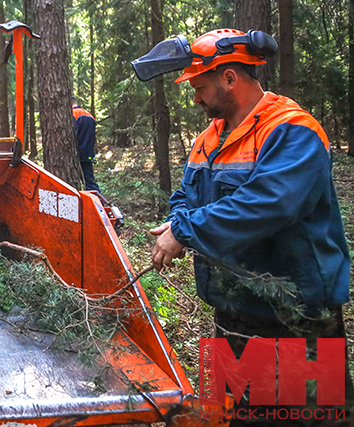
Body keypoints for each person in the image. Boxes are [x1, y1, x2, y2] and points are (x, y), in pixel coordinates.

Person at [136, 29, 351, 426]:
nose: (195, 98)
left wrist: (184, 232)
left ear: (230, 78)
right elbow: (183, 196)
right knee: (233, 417)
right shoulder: (207, 139)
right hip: (232, 311)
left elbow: (270, 204)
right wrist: (180, 220)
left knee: (310, 417)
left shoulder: (292, 130)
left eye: (200, 87)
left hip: (295, 317)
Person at [72, 97, 99, 191]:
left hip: (76, 154)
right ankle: (98, 203)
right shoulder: (89, 115)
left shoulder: (72, 115)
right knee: (90, 183)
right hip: (88, 154)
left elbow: (72, 135)